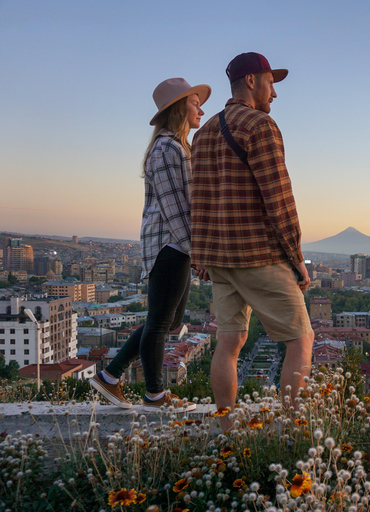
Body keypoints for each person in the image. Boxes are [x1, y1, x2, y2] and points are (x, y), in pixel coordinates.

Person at [191, 52, 313, 431]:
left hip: (220, 259)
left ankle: (226, 431)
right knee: (300, 339)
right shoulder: (261, 127)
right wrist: (297, 258)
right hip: (258, 254)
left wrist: (201, 255)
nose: (274, 93)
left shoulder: (204, 132)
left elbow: (197, 199)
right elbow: (279, 200)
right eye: (270, 82)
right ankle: (291, 430)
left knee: (229, 341)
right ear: (251, 82)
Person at [90, 78, 210, 412]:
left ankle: (110, 377)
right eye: (195, 102)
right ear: (179, 109)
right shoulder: (168, 149)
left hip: (176, 247)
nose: (201, 108)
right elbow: (175, 210)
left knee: (168, 321)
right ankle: (155, 395)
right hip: (171, 246)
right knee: (160, 322)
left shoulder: (176, 147)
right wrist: (197, 253)